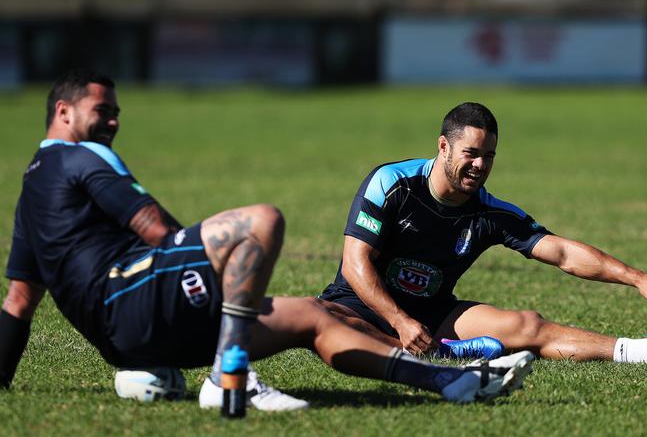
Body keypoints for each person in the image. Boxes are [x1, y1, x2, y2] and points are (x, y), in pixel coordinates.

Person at [0, 70, 535, 410]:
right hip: (140, 303)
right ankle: (229, 374)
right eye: (103, 111)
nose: (113, 121)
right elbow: (158, 233)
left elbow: (19, 302)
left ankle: (453, 383)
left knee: (311, 314)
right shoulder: (82, 155)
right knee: (260, 221)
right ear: (63, 114)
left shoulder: (30, 190)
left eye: (116, 111)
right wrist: (210, 280)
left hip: (122, 342)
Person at [320, 102, 647, 362]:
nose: (480, 165)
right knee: (324, 320)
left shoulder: (490, 213)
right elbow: (355, 263)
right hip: (359, 306)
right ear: (443, 146)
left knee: (527, 326)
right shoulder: (392, 184)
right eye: (471, 153)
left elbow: (562, 252)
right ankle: (439, 354)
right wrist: (400, 321)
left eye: (488, 156)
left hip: (433, 315)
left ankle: (635, 352)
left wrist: (638, 278)